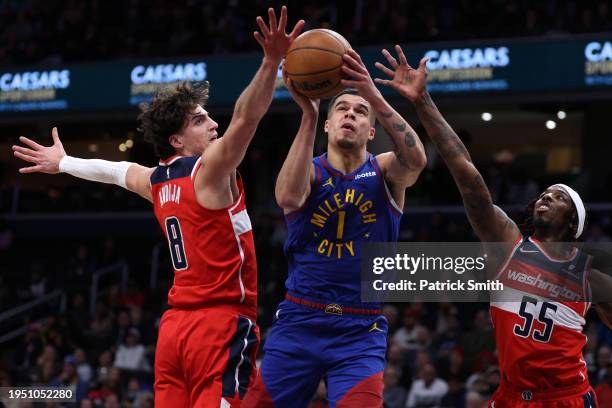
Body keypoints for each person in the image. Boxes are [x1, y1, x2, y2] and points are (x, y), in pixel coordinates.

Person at [12, 7, 305, 407]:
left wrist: (64, 163)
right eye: (201, 120)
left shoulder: (154, 180)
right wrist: (271, 62)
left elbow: (114, 171)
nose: (213, 125)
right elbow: (245, 117)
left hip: (173, 330)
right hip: (217, 326)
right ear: (177, 141)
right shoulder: (210, 172)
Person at [375, 45, 612, 406]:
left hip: (566, 397)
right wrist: (423, 101)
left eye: (559, 196)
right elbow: (468, 176)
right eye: (545, 193)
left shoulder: (587, 277)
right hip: (511, 397)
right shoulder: (509, 246)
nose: (546, 198)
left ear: (572, 223)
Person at [243, 47, 427, 407]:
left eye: (360, 113)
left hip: (359, 330)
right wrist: (309, 114)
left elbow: (417, 160)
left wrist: (373, 94)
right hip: (301, 319)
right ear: (328, 124)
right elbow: (287, 197)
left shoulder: (386, 169)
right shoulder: (309, 170)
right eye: (342, 109)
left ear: (371, 131)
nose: (350, 115)